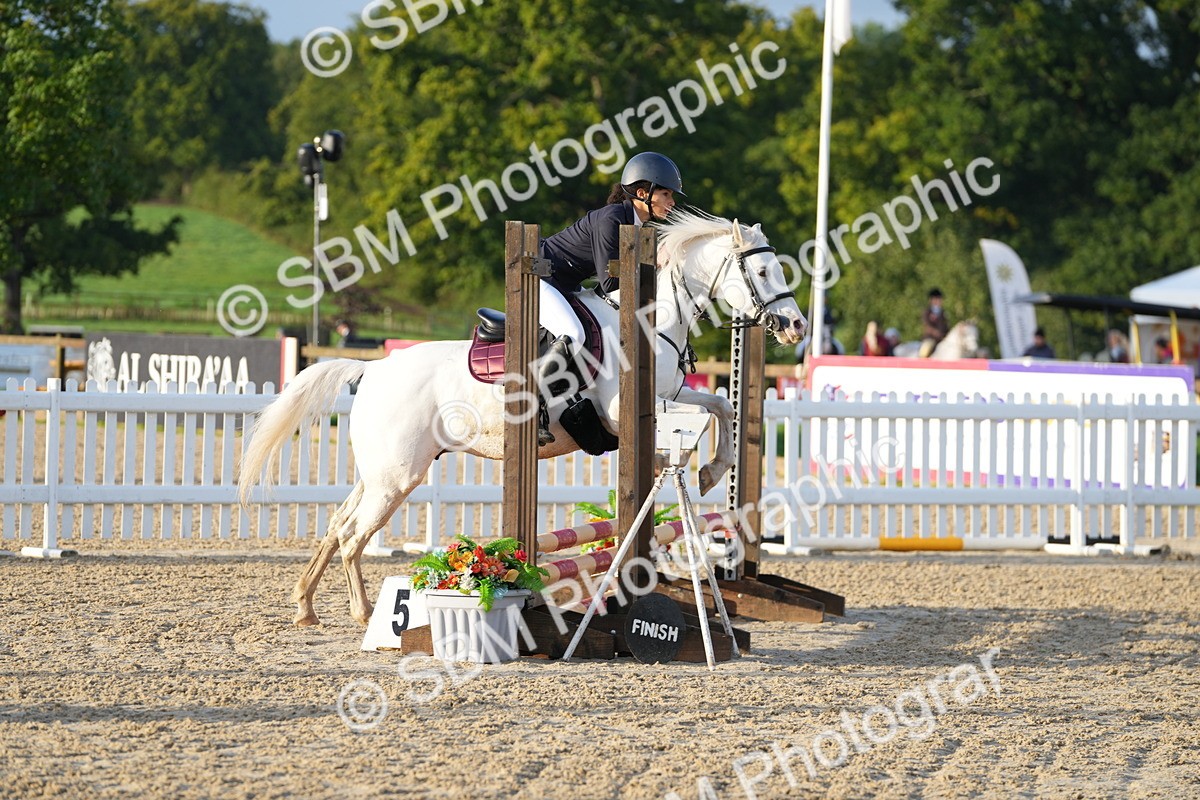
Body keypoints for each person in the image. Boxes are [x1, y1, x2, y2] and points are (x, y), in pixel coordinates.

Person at [534, 152, 684, 444]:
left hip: (566, 285)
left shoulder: (636, 226)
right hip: (539, 280)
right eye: (666, 194)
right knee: (573, 333)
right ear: (643, 193)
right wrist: (653, 264)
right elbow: (611, 282)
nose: (672, 202)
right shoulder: (612, 219)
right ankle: (535, 405)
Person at [918, 288, 949, 358]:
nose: (939, 301)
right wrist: (936, 333)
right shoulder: (927, 312)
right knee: (925, 350)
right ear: (931, 300)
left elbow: (946, 326)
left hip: (942, 340)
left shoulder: (943, 313)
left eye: (939, 299)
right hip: (930, 338)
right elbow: (926, 325)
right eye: (936, 299)